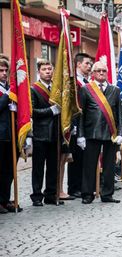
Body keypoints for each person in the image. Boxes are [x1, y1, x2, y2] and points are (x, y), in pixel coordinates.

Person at [78, 61, 122, 204]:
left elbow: (118, 114)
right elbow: (81, 114)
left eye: (104, 70)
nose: (101, 73)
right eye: (98, 71)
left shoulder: (115, 90)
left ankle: (107, 194)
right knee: (89, 165)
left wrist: (120, 133)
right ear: (93, 73)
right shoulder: (86, 89)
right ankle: (87, 194)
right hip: (92, 132)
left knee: (110, 165)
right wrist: (80, 135)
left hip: (111, 133)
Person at [30, 59, 62, 207]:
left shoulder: (56, 89)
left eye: (50, 69)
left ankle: (50, 194)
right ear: (39, 72)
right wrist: (50, 111)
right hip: (40, 134)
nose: (48, 72)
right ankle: (37, 196)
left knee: (53, 167)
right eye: (44, 69)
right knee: (38, 167)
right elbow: (32, 112)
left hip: (55, 133)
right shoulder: (34, 89)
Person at [68, 53, 93, 199]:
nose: (89, 66)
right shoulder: (75, 82)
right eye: (86, 64)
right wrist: (74, 124)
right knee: (76, 158)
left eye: (90, 64)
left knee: (85, 158)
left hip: (88, 124)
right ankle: (73, 187)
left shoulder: (87, 81)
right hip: (77, 124)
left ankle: (84, 185)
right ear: (78, 64)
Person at [0, 54, 22, 213]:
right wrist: (8, 96)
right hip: (0, 135)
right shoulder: (8, 91)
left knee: (9, 170)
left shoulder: (11, 87)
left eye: (6, 70)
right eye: (0, 70)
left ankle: (5, 199)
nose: (4, 73)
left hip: (12, 134)